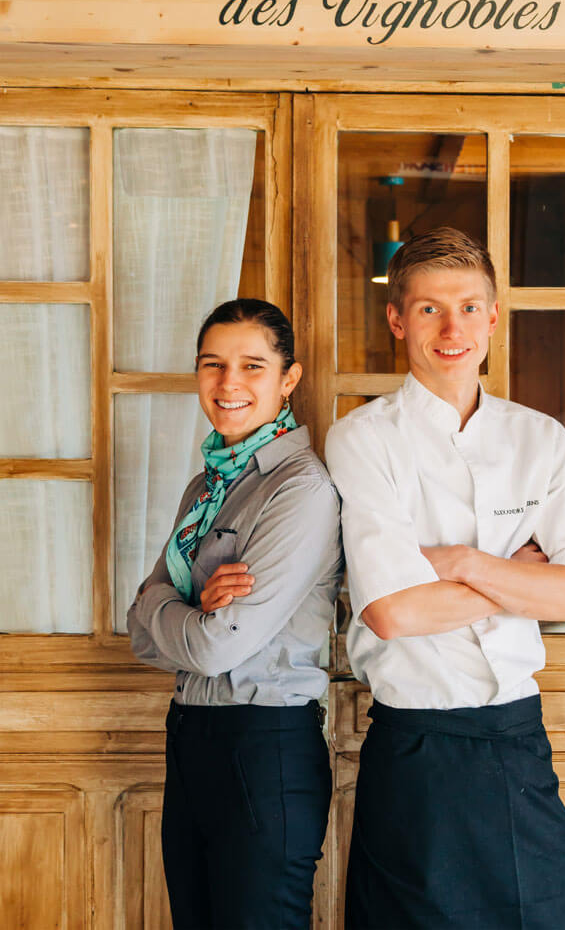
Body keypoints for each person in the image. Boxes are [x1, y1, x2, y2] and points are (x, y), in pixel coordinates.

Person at [324, 227, 565, 930]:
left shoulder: (540, 439)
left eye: (469, 307)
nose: (452, 328)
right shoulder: (363, 439)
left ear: (492, 316)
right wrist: (518, 579)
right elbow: (392, 614)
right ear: (396, 319)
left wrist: (462, 563)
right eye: (428, 310)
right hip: (417, 749)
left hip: (517, 741)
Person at [127, 298, 342, 930]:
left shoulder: (300, 489)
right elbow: (140, 635)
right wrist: (179, 608)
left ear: (288, 379)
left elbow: (216, 647)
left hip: (264, 746)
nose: (229, 383)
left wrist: (163, 602)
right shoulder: (207, 488)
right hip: (190, 737)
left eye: (252, 365)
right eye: (212, 364)